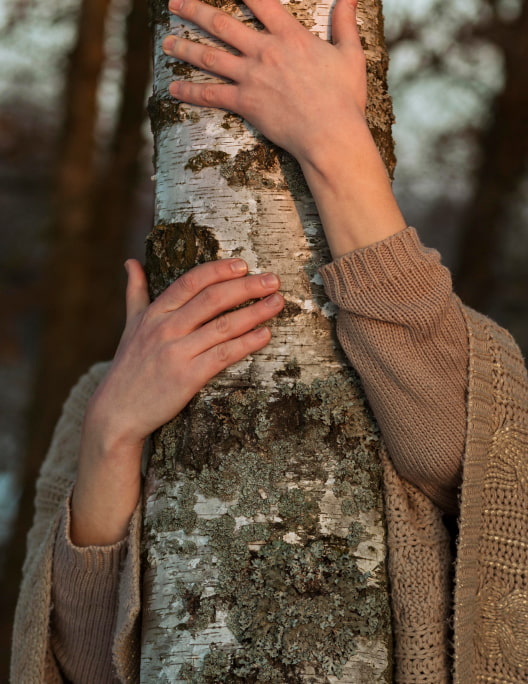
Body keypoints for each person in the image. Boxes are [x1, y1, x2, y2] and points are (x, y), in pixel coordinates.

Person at [11, 0, 528, 681]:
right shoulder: (102, 398)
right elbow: (83, 664)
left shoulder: (475, 368)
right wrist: (110, 434)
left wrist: (333, 141)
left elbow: (453, 452)